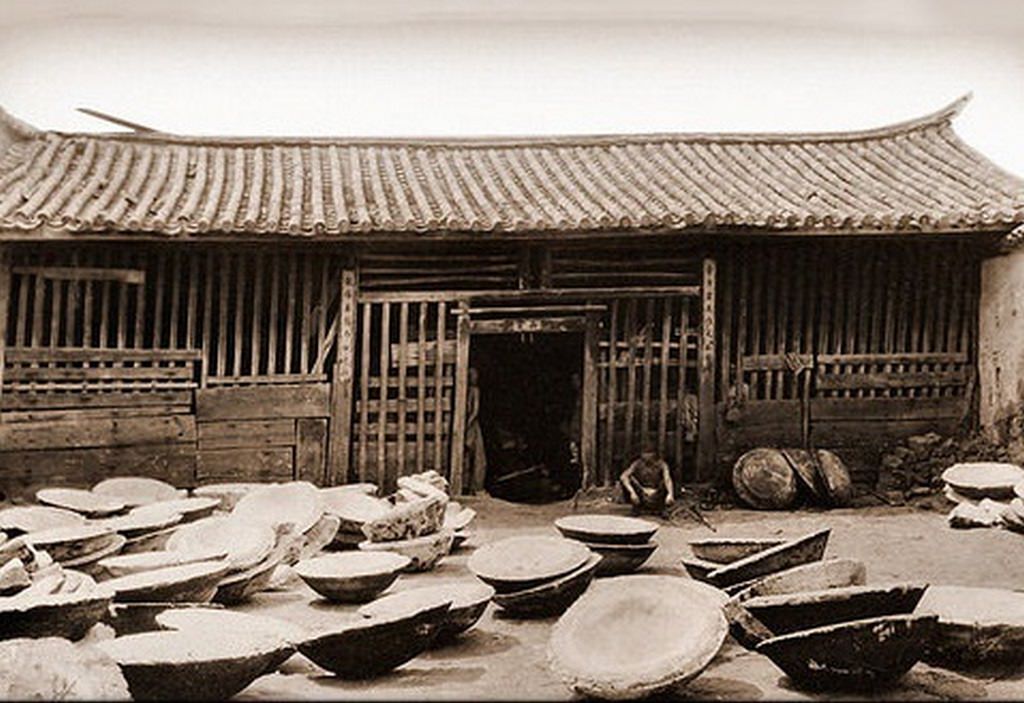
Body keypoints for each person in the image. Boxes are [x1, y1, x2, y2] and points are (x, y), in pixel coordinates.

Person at [619, 450, 675, 515]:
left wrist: (670, 494)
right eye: (644, 453)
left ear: (654, 454)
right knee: (629, 479)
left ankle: (662, 508)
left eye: (648, 453)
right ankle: (636, 507)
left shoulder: (662, 464)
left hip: (656, 492)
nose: (645, 455)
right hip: (642, 491)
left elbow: (667, 479)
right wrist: (632, 492)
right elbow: (623, 476)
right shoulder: (637, 463)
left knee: (665, 483)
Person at [465, 367, 488, 494]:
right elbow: (475, 411)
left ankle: (471, 486)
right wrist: (469, 424)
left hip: (468, 424)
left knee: (471, 456)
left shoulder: (468, 390)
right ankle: (475, 487)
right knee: (477, 457)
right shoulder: (474, 390)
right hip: (471, 425)